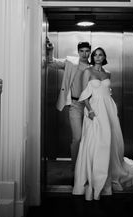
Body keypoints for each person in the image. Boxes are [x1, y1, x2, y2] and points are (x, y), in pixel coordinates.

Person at [73, 47, 133, 201]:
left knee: (110, 140)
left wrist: (113, 108)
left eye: (100, 55)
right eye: (95, 55)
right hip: (94, 109)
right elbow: (84, 95)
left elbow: (108, 93)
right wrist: (90, 110)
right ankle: (93, 177)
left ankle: (108, 172)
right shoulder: (87, 71)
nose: (97, 57)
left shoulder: (108, 74)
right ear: (92, 57)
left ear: (104, 57)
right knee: (94, 142)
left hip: (109, 110)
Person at [46, 38, 91, 170]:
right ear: (78, 52)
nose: (84, 53)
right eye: (81, 51)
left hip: (91, 106)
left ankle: (88, 168)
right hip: (76, 106)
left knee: (90, 138)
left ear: (90, 52)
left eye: (87, 51)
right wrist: (50, 50)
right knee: (77, 138)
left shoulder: (93, 67)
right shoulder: (70, 63)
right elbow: (51, 63)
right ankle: (76, 168)